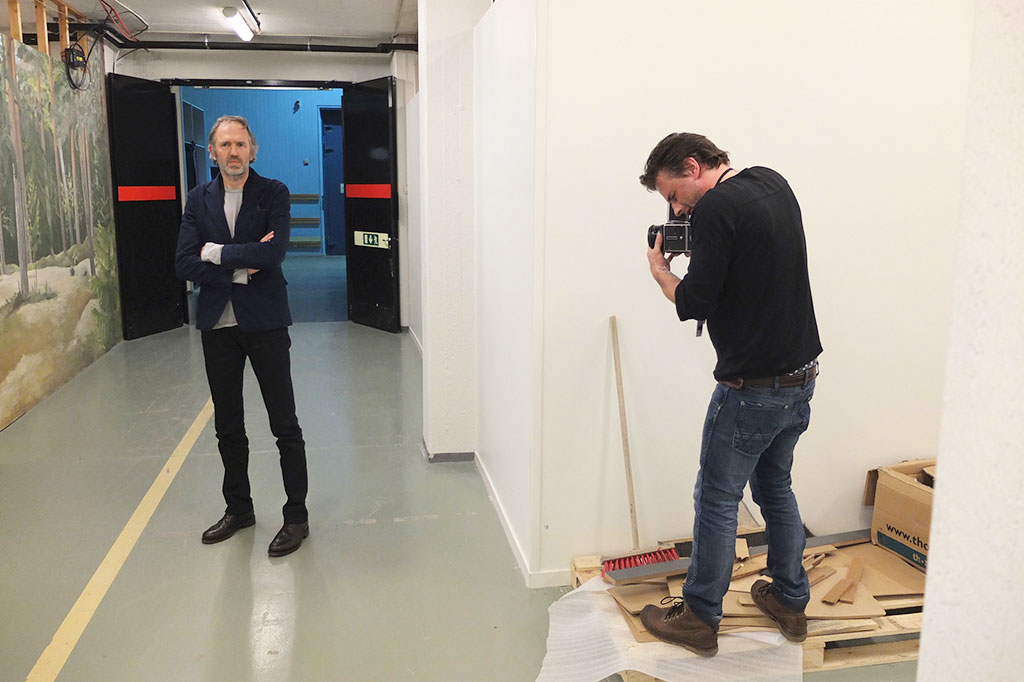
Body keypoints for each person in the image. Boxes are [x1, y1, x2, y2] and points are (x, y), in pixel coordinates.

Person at [637, 133, 822, 656]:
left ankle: (698, 616)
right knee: (775, 488)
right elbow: (756, 260)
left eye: (674, 194)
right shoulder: (771, 182)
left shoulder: (715, 208)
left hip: (752, 390)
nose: (675, 208)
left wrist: (660, 272)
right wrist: (710, 242)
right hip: (801, 378)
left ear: (693, 167)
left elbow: (695, 301)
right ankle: (789, 599)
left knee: (717, 499)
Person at [175, 115, 309, 558]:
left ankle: (296, 517)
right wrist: (237, 265)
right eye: (225, 145)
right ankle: (239, 509)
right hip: (218, 327)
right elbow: (185, 264)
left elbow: (274, 252)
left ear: (253, 150)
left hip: (266, 323)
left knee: (283, 424)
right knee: (228, 426)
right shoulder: (198, 199)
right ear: (211, 151)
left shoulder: (274, 193)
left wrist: (215, 253)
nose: (233, 152)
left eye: (241, 144)